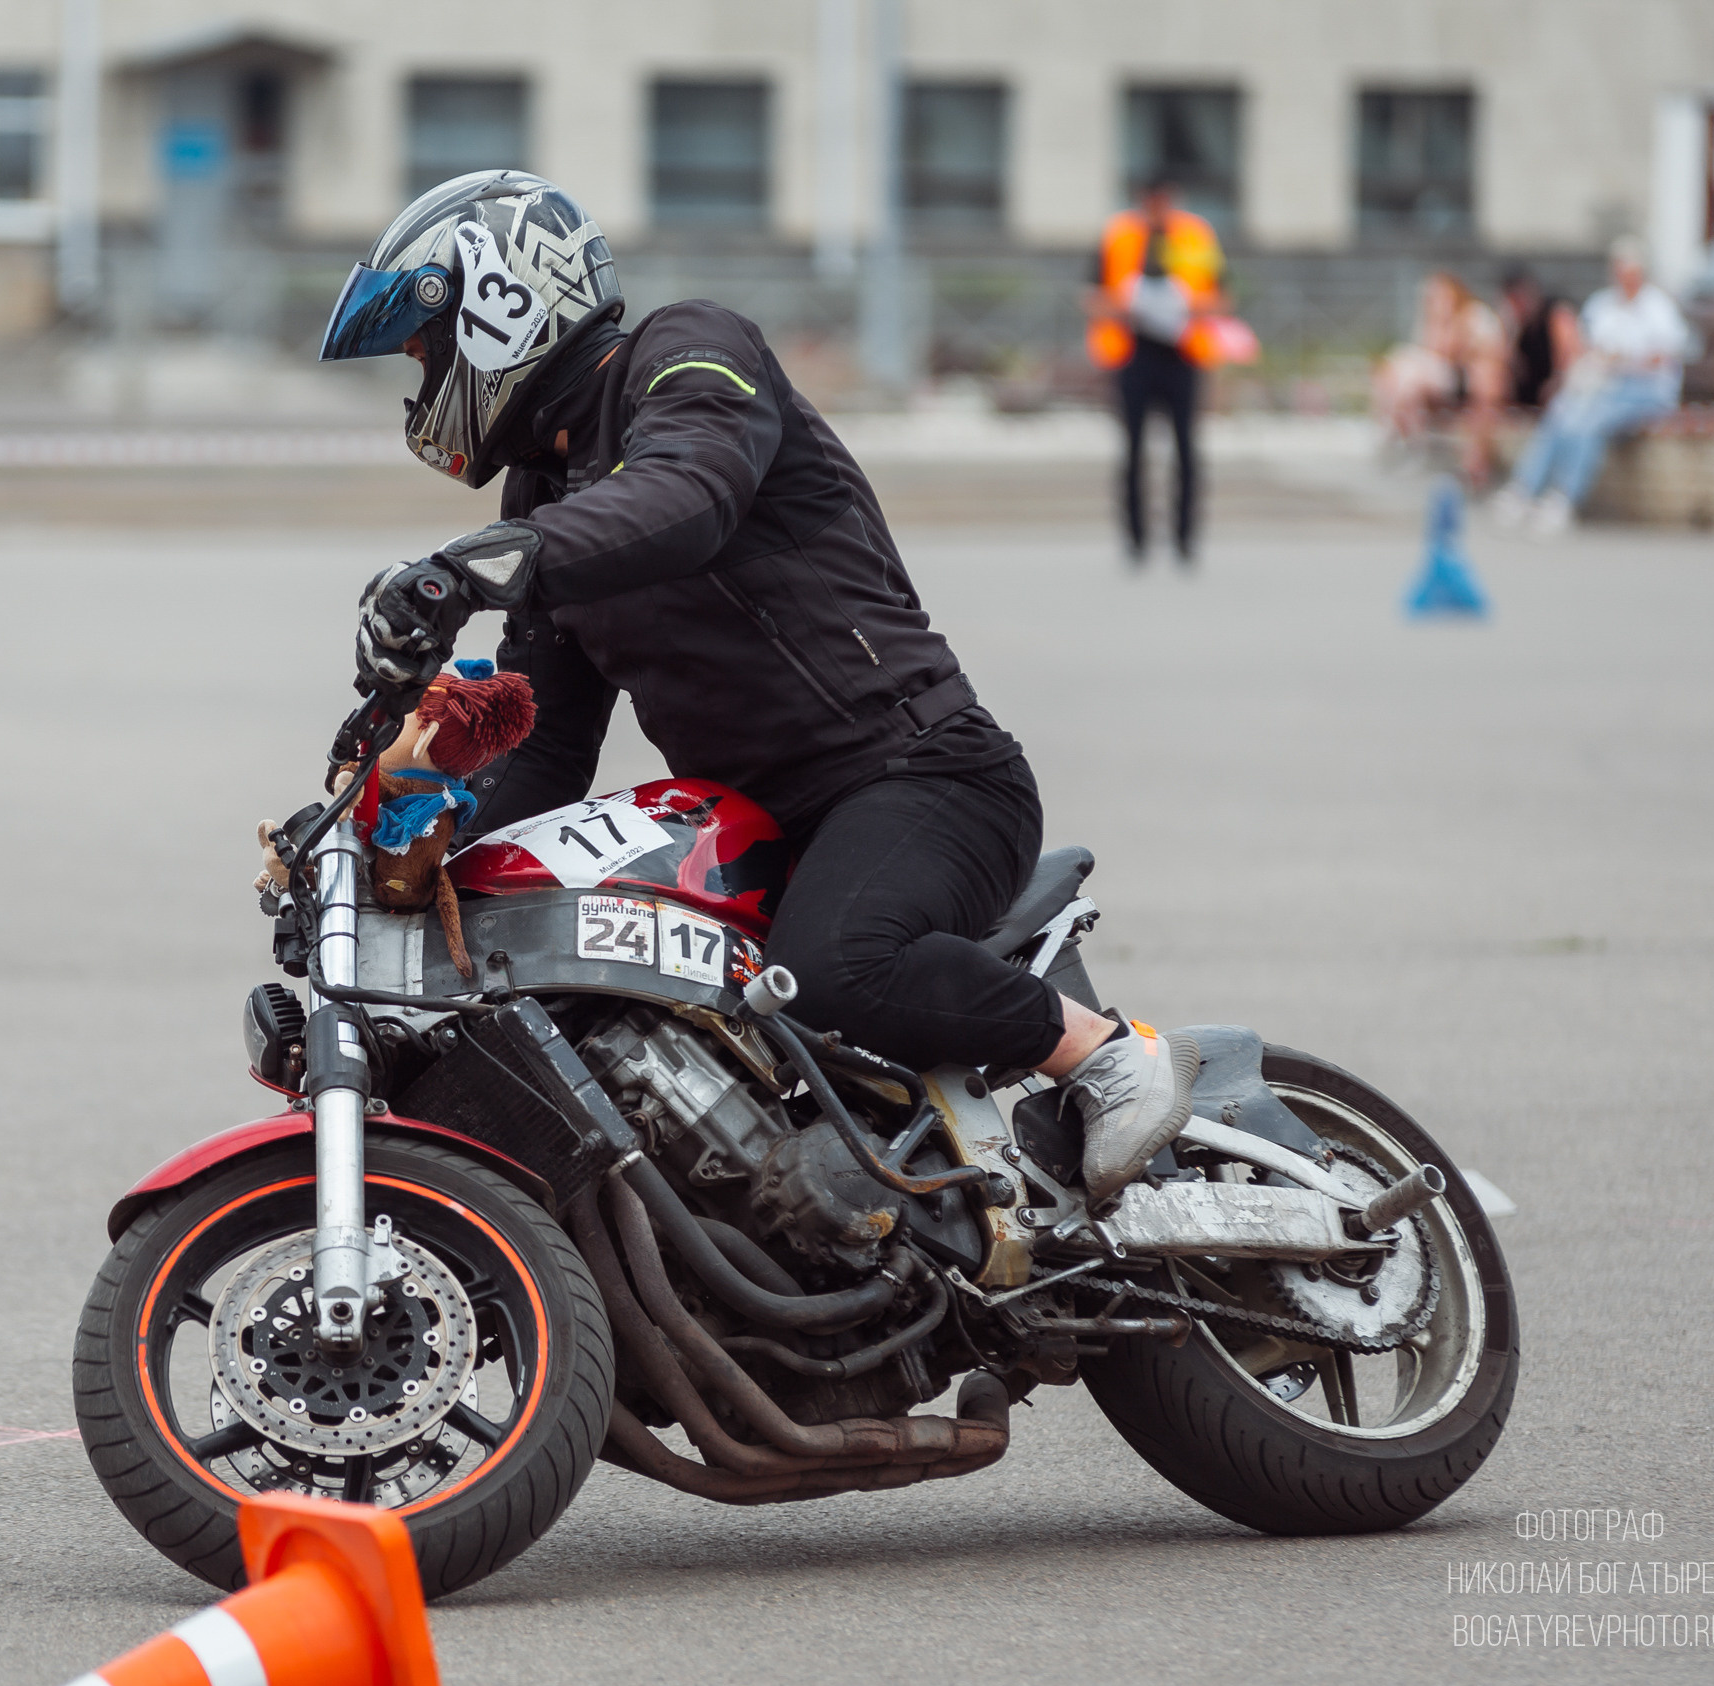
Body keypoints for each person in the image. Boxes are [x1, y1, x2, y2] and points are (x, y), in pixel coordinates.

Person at [312, 170, 1197, 1200]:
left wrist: (470, 564)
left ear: (500, 300)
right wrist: (398, 849)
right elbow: (544, 740)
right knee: (589, 989)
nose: (420, 378)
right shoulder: (545, 494)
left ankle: (1107, 1056)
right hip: (765, 831)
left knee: (835, 971)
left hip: (920, 775)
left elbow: (688, 495)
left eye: (423, 346)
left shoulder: (687, 350)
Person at [1491, 237, 1689, 535]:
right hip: (1605, 386)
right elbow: (1588, 349)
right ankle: (1523, 488)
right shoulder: (1602, 304)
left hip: (1646, 391)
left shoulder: (1657, 306)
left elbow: (1662, 358)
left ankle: (1564, 498)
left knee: (1589, 422)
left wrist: (1622, 362)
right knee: (1561, 411)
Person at [1085, 175, 1230, 567]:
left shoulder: (1196, 235)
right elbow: (1092, 296)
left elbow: (1221, 297)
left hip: (1183, 353)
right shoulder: (1118, 235)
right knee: (1132, 449)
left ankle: (1185, 539)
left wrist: (1184, 305)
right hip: (1134, 353)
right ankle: (1135, 540)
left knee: (1187, 448)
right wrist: (1127, 307)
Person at [1371, 272, 1510, 486]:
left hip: (1468, 379)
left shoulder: (1473, 315)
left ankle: (1407, 439)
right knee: (1398, 372)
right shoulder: (1434, 319)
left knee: (1409, 379)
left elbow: (1481, 352)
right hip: (1455, 379)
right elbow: (1430, 352)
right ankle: (1400, 432)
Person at [1498, 264, 1579, 409]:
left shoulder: (1556, 313)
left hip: (1558, 387)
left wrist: (1556, 381)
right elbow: (1512, 366)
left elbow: (1568, 358)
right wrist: (1510, 329)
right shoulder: (1518, 324)